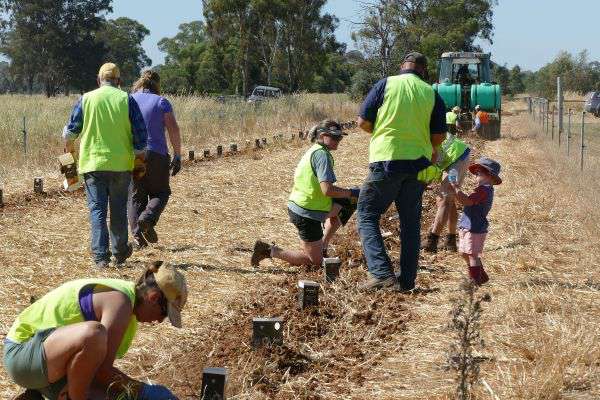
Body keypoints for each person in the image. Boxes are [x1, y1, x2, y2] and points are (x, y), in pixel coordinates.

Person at [4, 262, 187, 400]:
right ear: (153, 298)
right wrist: (144, 391)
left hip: (49, 368)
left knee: (115, 396)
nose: (159, 320)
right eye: (164, 314)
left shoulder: (128, 307)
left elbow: (93, 370)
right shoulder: (120, 301)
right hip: (23, 354)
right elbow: (102, 371)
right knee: (94, 334)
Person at [356, 52, 447, 292]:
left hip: (386, 161)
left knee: (366, 214)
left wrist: (385, 129)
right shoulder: (431, 93)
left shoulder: (386, 84)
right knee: (410, 224)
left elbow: (363, 122)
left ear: (402, 67)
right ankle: (407, 281)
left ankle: (381, 273)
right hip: (418, 165)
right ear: (424, 71)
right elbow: (438, 136)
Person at [63, 63, 148, 269]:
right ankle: (119, 252)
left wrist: (68, 163)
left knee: (97, 210)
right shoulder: (126, 99)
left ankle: (101, 258)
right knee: (118, 209)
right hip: (121, 165)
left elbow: (69, 134)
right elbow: (141, 137)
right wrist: (139, 163)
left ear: (98, 79)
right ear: (118, 81)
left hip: (92, 165)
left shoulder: (86, 99)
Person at [251, 119, 360, 267]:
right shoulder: (322, 156)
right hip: (306, 213)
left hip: (308, 205)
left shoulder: (316, 150)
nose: (338, 140)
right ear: (322, 136)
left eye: (340, 137)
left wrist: (351, 195)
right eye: (334, 137)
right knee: (314, 262)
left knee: (348, 203)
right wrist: (353, 192)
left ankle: (323, 246)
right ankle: (269, 250)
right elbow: (327, 190)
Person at [128, 70, 182, 248]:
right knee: (161, 192)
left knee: (137, 195)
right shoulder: (161, 102)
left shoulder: (130, 100)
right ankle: (147, 218)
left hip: (136, 155)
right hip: (157, 154)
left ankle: (138, 238)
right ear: (157, 85)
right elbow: (173, 129)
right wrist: (178, 155)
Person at [447, 157, 502, 285]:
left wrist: (455, 186)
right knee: (464, 253)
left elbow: (466, 201)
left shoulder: (484, 191)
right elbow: (466, 199)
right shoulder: (482, 190)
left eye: (478, 174)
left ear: (489, 176)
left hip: (475, 228)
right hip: (468, 225)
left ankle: (475, 281)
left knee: (472, 255)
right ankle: (480, 275)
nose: (475, 177)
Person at [422, 132, 471, 253]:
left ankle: (432, 241)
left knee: (444, 198)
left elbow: (431, 159)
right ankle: (451, 241)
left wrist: (423, 184)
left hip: (456, 156)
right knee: (448, 199)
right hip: (451, 158)